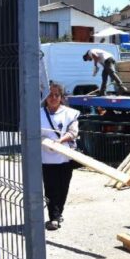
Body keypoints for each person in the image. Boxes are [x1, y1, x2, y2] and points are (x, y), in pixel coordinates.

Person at [40, 82, 81, 231]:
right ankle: (54, 217)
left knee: (63, 188)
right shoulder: (38, 114)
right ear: (45, 97)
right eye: (50, 95)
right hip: (46, 158)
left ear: (61, 97)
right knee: (50, 188)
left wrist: (60, 141)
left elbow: (73, 132)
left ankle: (58, 213)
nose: (53, 98)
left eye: (56, 95)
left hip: (65, 157)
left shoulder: (70, 113)